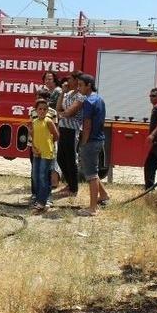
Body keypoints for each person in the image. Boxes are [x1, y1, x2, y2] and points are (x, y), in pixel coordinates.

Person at [77, 74, 110, 216]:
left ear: (88, 85)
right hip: (99, 139)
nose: (79, 88)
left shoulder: (89, 102)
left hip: (90, 141)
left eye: (80, 85)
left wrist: (83, 143)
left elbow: (87, 125)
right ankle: (103, 196)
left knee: (91, 174)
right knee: (93, 171)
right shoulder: (99, 99)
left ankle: (92, 209)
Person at [56, 73, 85, 198]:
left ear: (76, 81)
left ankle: (74, 188)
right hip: (63, 128)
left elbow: (69, 112)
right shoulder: (67, 94)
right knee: (60, 158)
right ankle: (69, 183)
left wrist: (61, 114)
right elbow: (58, 108)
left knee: (71, 159)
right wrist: (62, 92)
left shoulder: (80, 96)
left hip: (72, 130)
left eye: (70, 79)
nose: (67, 81)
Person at [32, 98, 60, 212]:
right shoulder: (34, 122)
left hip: (47, 153)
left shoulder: (48, 121)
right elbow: (33, 137)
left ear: (47, 110)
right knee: (36, 176)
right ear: (36, 110)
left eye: (44, 109)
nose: (42, 111)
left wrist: (49, 145)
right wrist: (34, 148)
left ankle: (42, 202)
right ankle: (39, 198)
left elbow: (56, 135)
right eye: (40, 109)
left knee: (44, 176)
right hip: (37, 153)